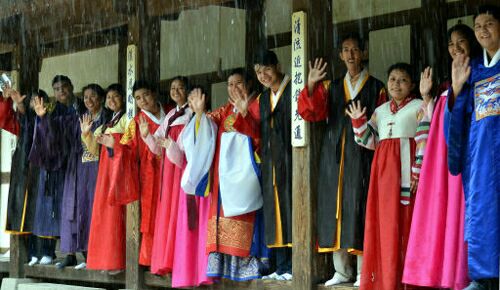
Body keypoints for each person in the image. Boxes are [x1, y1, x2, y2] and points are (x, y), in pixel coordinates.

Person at [298, 33, 387, 287]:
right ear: (340, 55)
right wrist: (312, 85)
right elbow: (310, 113)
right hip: (333, 156)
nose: (350, 55)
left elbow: (380, 126)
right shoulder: (332, 87)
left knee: (358, 209)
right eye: (346, 50)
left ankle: (363, 272)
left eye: (355, 50)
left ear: (364, 53)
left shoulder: (377, 87)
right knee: (334, 209)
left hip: (362, 158)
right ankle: (342, 271)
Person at [403, 24, 481, 290]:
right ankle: (442, 273)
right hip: (442, 163)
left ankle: (467, 274)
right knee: (444, 214)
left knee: (464, 214)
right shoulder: (445, 85)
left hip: (468, 157)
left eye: (461, 41)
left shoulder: (479, 74)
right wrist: (427, 97)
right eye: (451, 43)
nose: (456, 47)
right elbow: (433, 125)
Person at [346, 63, 431, 290]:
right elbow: (369, 142)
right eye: (392, 79)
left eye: (403, 80)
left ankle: (409, 280)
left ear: (412, 85)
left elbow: (424, 141)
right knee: (385, 225)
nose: (396, 84)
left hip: (406, 174)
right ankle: (387, 279)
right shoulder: (380, 111)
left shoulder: (419, 106)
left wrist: (417, 172)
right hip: (383, 177)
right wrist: (358, 122)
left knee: (407, 223)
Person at [188, 68, 268, 281]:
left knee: (245, 214)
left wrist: (244, 115)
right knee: (224, 215)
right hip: (223, 176)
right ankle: (225, 266)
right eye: (230, 85)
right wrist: (198, 114)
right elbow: (206, 129)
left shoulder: (258, 104)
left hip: (246, 175)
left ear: (249, 84)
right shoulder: (224, 111)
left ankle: (247, 265)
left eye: (238, 83)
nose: (234, 88)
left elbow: (261, 136)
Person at [444, 5, 500, 290]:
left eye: (489, 23)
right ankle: (484, 278)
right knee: (482, 212)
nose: (483, 30)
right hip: (481, 157)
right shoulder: (473, 70)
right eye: (478, 26)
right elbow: (457, 117)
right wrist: (455, 88)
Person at [232, 50, 293, 280]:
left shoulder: (293, 89)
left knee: (290, 209)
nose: (263, 75)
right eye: (258, 72)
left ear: (278, 65)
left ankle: (293, 264)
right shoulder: (263, 99)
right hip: (271, 161)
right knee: (274, 211)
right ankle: (280, 265)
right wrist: (245, 113)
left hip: (291, 159)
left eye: (267, 69)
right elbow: (255, 131)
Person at [111, 80, 166, 267]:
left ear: (155, 94)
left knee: (171, 213)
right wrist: (115, 145)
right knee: (151, 216)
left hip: (172, 171)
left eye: (146, 95)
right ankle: (152, 260)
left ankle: (170, 257)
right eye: (138, 98)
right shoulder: (136, 122)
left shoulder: (171, 113)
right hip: (150, 174)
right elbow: (126, 150)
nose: (143, 101)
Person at [141, 76, 192, 275]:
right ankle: (167, 260)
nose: (176, 91)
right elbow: (158, 148)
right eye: (173, 88)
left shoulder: (191, 114)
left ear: (187, 91)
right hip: (167, 171)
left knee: (178, 213)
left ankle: (179, 262)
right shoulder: (171, 114)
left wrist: (172, 148)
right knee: (167, 213)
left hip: (181, 170)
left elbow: (187, 150)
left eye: (180, 88)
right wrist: (147, 136)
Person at [29, 75, 81, 265]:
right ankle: (65, 254)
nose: (61, 92)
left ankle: (86, 254)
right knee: (61, 209)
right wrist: (43, 118)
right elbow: (49, 138)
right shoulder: (53, 111)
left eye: (64, 87)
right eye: (57, 89)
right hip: (61, 165)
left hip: (81, 162)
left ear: (72, 87)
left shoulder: (82, 107)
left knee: (80, 208)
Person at [84, 84, 128, 272]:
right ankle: (107, 260)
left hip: (119, 171)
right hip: (105, 172)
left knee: (117, 216)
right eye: (109, 98)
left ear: (124, 98)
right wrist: (86, 133)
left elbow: (130, 146)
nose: (111, 101)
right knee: (105, 215)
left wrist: (115, 142)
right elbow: (94, 150)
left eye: (115, 97)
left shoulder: (127, 119)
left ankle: (119, 260)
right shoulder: (106, 123)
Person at [0, 88, 43, 265]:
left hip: (40, 169)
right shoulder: (24, 121)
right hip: (23, 168)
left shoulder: (43, 120)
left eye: (36, 100)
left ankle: (42, 252)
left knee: (38, 212)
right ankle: (30, 253)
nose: (33, 104)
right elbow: (6, 119)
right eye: (31, 101)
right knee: (22, 213)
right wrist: (14, 102)